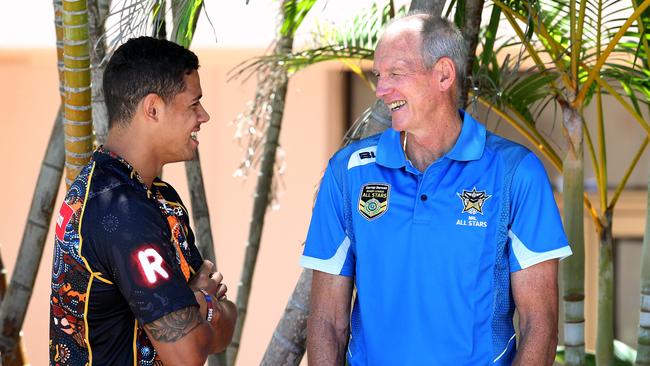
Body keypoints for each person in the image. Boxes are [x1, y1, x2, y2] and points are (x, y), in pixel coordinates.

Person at [301, 14, 572, 366]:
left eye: (396, 74)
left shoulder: (515, 174)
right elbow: (326, 321)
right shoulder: (348, 172)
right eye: (379, 76)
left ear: (443, 74)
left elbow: (540, 325)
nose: (381, 90)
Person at [49, 36, 237, 365]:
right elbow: (188, 353)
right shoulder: (118, 208)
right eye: (194, 104)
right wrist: (204, 302)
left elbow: (222, 331)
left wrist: (196, 307)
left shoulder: (158, 198)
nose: (204, 116)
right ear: (152, 108)